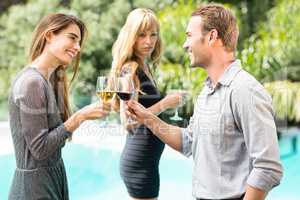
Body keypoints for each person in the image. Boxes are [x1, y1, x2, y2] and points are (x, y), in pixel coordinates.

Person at [126, 3, 283, 200]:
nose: (185, 44)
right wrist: (147, 117)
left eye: (189, 35)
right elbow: (188, 142)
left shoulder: (245, 91)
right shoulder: (207, 91)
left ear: (212, 37)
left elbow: (268, 168)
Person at [8, 13, 110, 200]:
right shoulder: (32, 82)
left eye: (79, 42)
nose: (77, 47)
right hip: (34, 190)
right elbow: (40, 149)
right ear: (49, 35)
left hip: (49, 183)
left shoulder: (49, 80)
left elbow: (55, 140)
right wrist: (79, 117)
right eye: (72, 38)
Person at [111, 8, 184, 200]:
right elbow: (128, 122)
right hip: (139, 162)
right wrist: (165, 103)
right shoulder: (129, 70)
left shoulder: (144, 66)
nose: (149, 41)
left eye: (153, 35)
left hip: (147, 161)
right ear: (131, 36)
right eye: (141, 35)